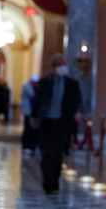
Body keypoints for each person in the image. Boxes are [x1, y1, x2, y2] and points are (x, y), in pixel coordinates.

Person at [32, 54, 81, 194]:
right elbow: (37, 101)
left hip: (62, 123)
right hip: (47, 122)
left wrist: (76, 114)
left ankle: (55, 182)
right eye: (60, 65)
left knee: (58, 154)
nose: (63, 67)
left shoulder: (72, 83)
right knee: (46, 154)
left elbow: (76, 102)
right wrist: (34, 117)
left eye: (64, 64)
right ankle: (47, 182)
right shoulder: (45, 82)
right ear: (54, 67)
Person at [20, 74, 39, 153]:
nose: (36, 84)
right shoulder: (26, 86)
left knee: (32, 129)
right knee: (27, 128)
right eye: (35, 83)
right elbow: (32, 95)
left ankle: (32, 146)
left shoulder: (34, 86)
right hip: (28, 111)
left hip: (33, 111)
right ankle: (26, 145)